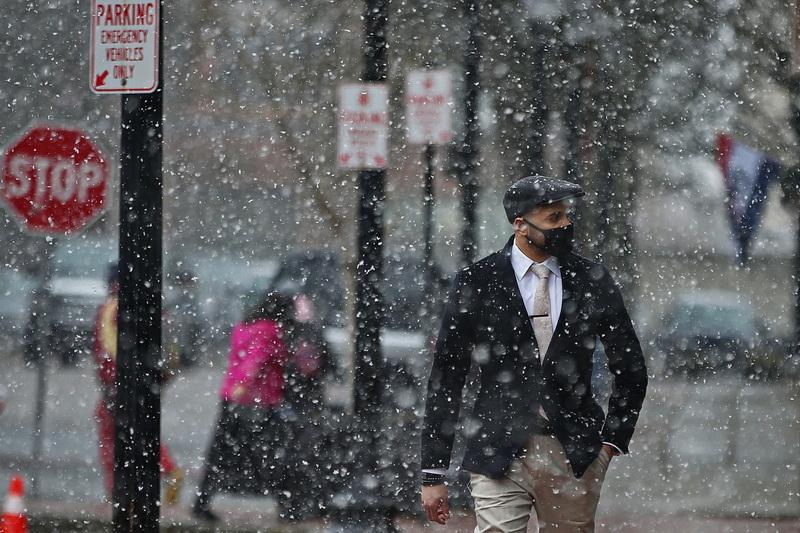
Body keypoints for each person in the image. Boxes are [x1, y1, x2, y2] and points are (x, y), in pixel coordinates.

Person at [420, 175, 648, 533]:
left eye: (566, 216)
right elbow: (447, 376)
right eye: (553, 218)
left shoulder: (591, 279)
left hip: (574, 451)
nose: (566, 225)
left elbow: (631, 368)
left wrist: (611, 443)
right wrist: (433, 471)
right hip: (498, 447)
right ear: (520, 225)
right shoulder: (477, 282)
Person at [192, 292, 298, 522]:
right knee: (271, 454)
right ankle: (287, 507)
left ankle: (201, 502)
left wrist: (237, 389)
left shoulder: (244, 326)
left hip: (232, 398)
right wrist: (246, 385)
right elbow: (256, 359)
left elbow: (241, 357)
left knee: (220, 454)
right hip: (255, 401)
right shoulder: (269, 330)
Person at [93, 263, 183, 505]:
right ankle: (165, 468)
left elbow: (105, 350)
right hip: (149, 383)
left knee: (111, 434)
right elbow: (169, 348)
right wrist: (161, 378)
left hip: (119, 385)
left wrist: (111, 382)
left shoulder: (111, 307)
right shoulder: (154, 305)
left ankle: (117, 490)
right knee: (143, 430)